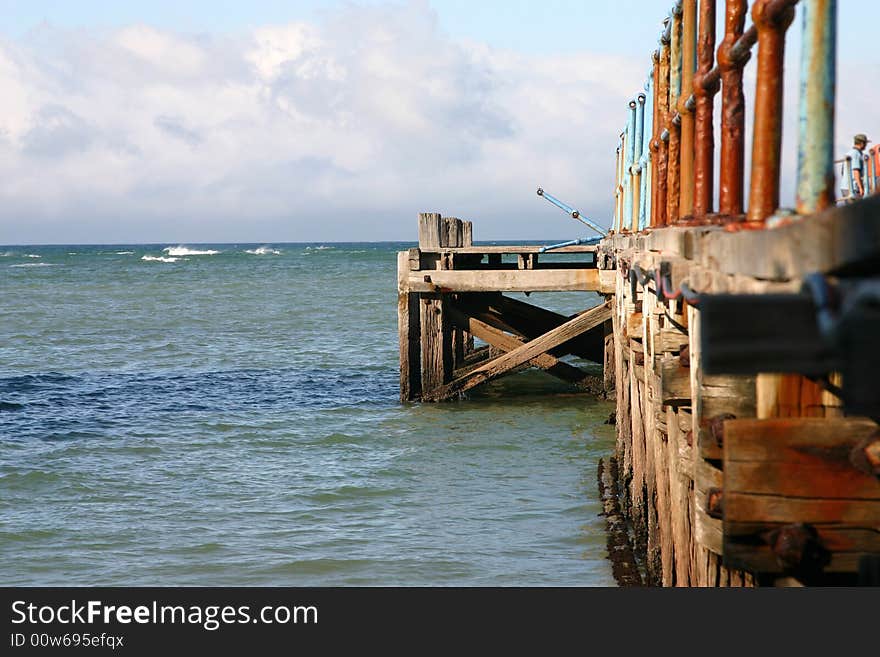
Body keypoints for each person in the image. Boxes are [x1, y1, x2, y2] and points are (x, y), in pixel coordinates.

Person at [840, 133, 870, 202]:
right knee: (857, 210)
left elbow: (842, 171)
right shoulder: (856, 154)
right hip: (852, 187)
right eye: (865, 143)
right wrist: (860, 187)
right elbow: (856, 171)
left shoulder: (849, 153)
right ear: (862, 143)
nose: (866, 145)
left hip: (844, 186)